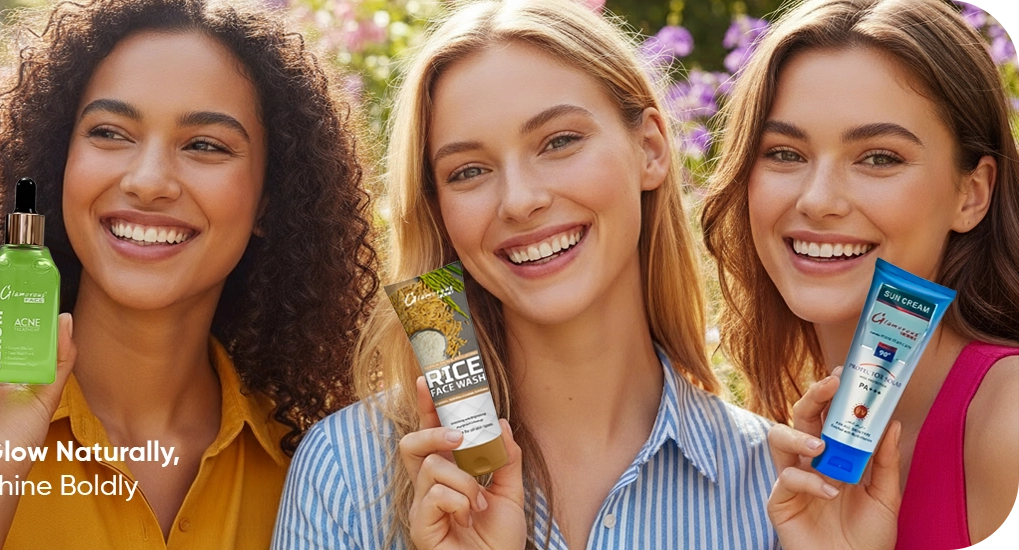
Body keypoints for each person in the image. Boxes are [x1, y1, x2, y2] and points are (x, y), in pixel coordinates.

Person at [275, 0, 778, 548]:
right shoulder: (348, 474)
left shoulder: (774, 489)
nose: (519, 201)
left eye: (559, 141)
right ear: (440, 209)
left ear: (651, 148)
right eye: (468, 171)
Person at [0, 0, 378, 546]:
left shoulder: (326, 476)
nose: (148, 180)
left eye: (205, 145)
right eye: (110, 133)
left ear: (270, 202)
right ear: (57, 161)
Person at [702, 0, 1019, 547]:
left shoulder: (1007, 425)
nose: (819, 200)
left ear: (972, 194)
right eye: (783, 152)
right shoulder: (791, 440)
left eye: (878, 158)